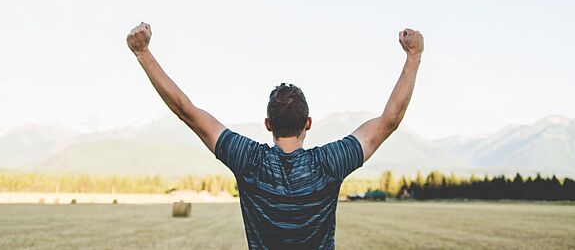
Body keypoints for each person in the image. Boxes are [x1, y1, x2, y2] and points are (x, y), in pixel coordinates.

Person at [127, 22, 423, 250]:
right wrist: (413, 56)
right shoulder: (329, 163)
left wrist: (143, 53)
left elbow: (185, 110)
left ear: (267, 123)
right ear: (308, 123)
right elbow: (390, 121)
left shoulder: (249, 161)